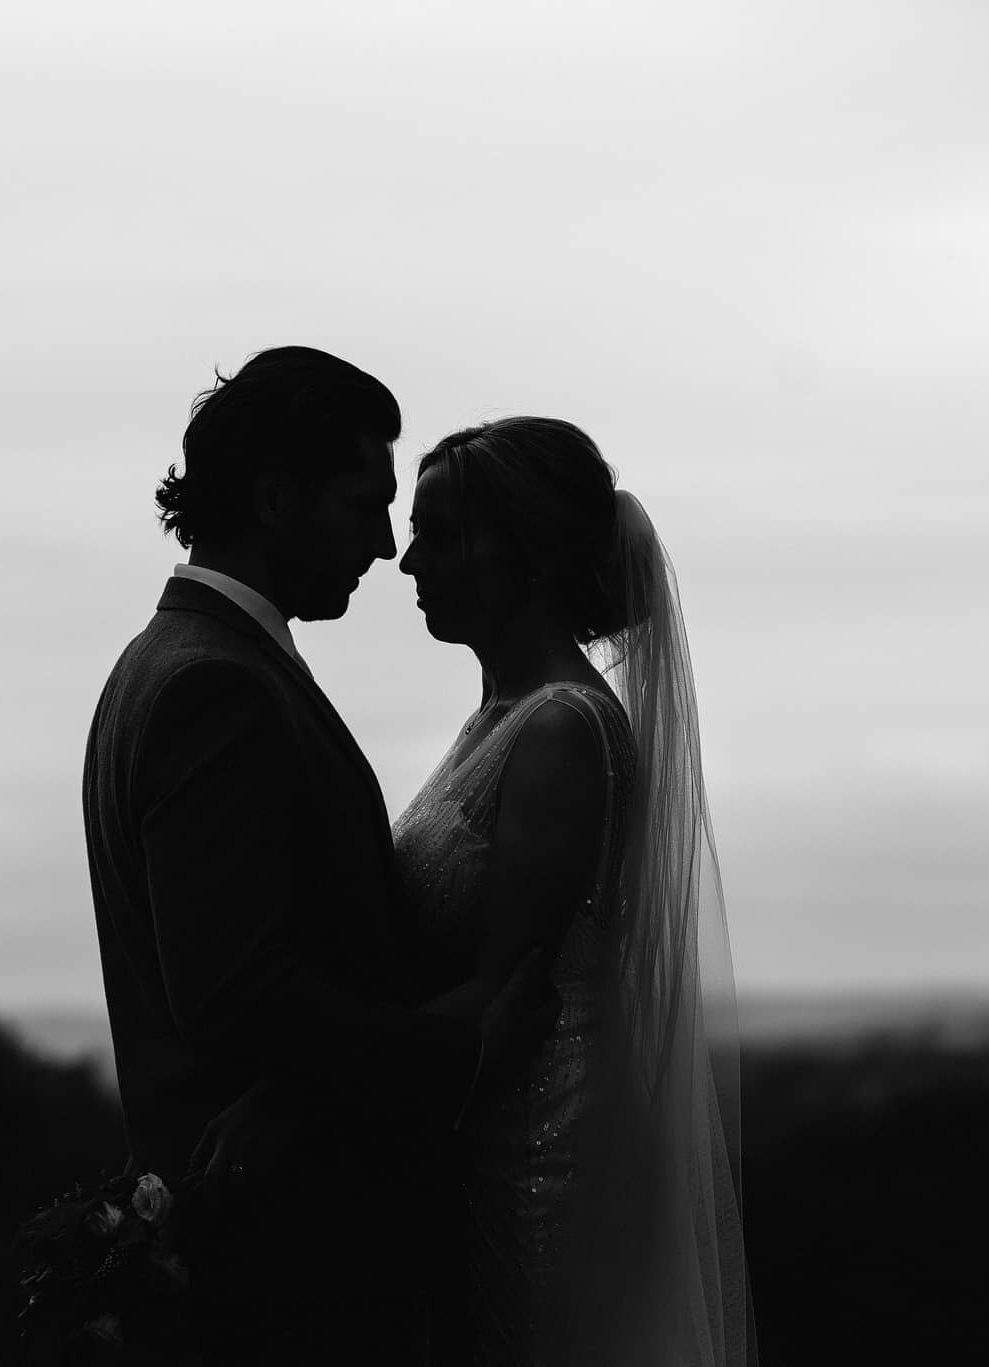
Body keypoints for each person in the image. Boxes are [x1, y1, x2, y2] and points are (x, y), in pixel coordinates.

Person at [80, 348, 551, 1364]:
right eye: (360, 503)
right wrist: (462, 1047)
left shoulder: (166, 663)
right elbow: (238, 991)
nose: (385, 545)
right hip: (285, 1262)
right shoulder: (217, 686)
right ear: (274, 495)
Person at [395, 416, 757, 1365]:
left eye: (436, 533)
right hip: (484, 1136)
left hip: (536, 1156)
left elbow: (505, 991)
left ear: (517, 551)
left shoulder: (561, 728)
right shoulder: (502, 717)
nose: (406, 560)